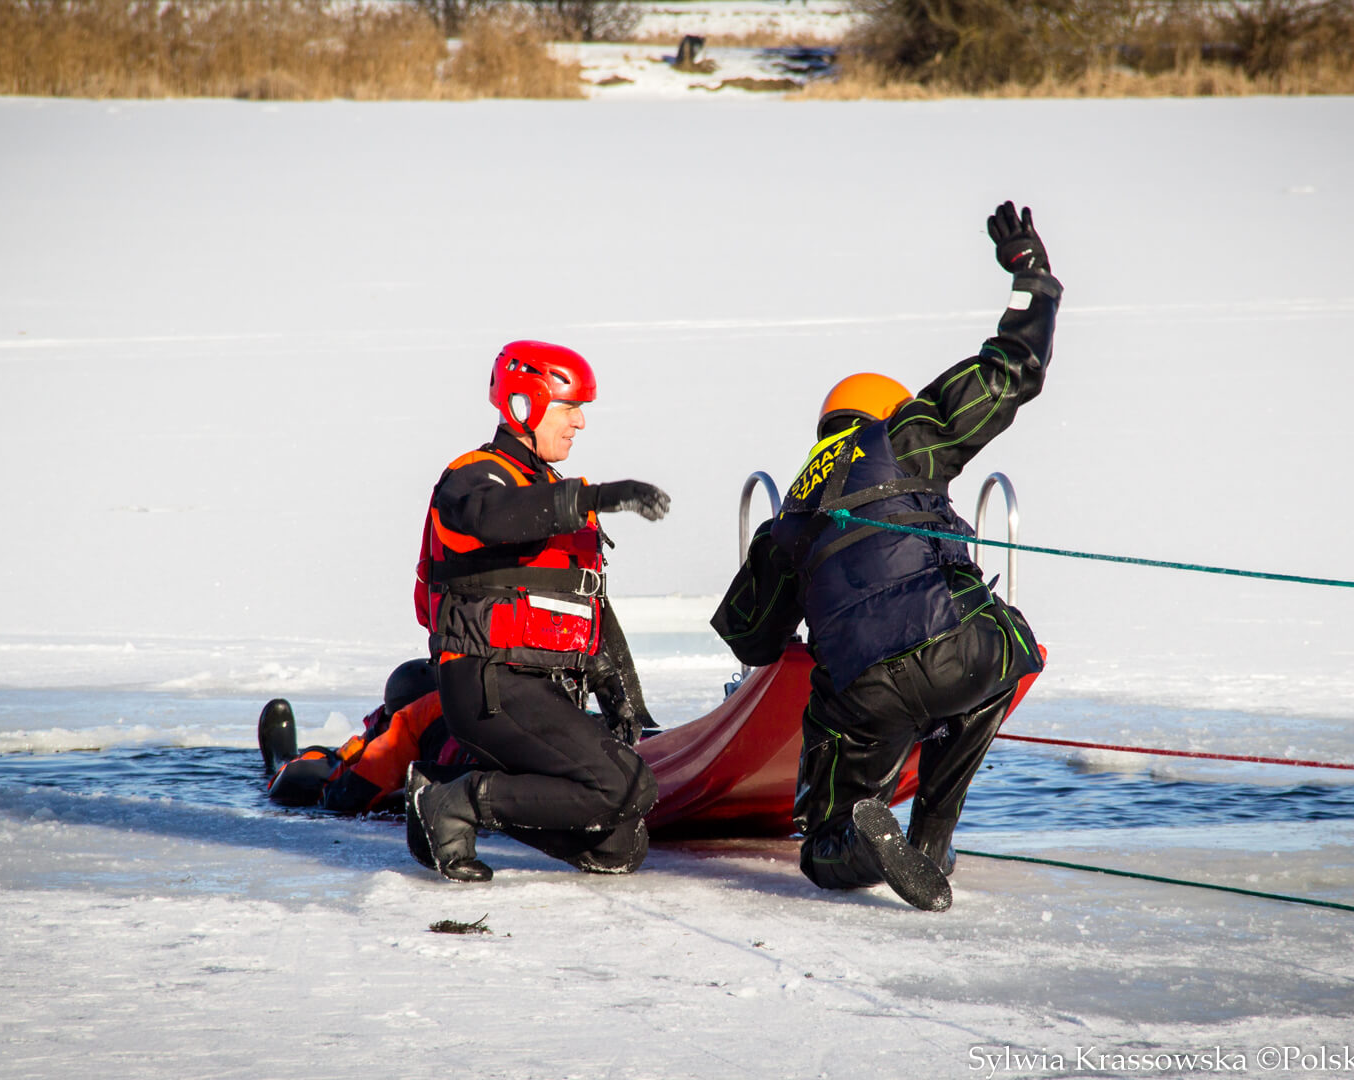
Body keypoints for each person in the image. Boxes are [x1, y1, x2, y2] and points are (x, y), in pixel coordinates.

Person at [711, 201, 1058, 911]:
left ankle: (862, 840)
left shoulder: (788, 521)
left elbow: (751, 636)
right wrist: (1033, 280)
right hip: (968, 648)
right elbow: (1011, 371)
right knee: (1007, 650)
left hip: (866, 693)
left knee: (820, 843)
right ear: (885, 412)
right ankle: (932, 837)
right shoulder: (909, 436)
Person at [406, 341, 670, 883]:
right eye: (569, 407)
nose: (579, 422)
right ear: (524, 404)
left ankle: (435, 790)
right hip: (490, 682)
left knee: (620, 844)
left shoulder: (549, 489)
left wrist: (622, 695)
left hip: (544, 687)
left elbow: (587, 601)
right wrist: (594, 497)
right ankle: (456, 803)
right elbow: (490, 518)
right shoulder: (474, 478)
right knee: (623, 786)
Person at [258, 658, 464, 813]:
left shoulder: (419, 722)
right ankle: (287, 760)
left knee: (308, 775)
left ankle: (287, 761)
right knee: (331, 763)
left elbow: (345, 796)